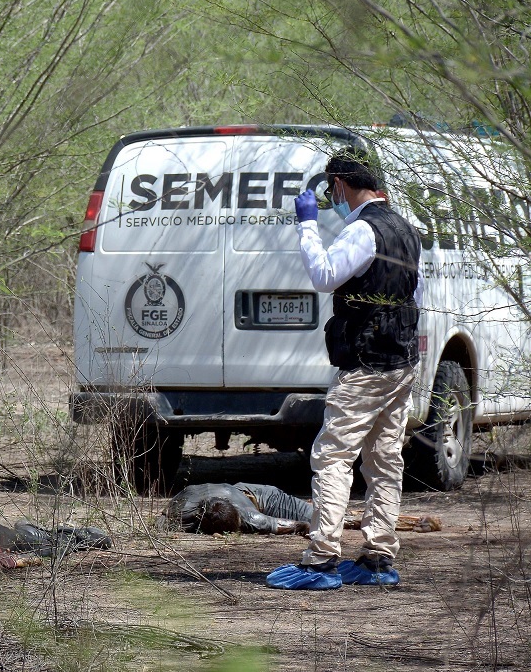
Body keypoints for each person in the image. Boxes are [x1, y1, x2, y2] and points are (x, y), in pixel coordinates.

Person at [267, 149, 424, 590]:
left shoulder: (363, 230)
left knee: (334, 455)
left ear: (337, 184)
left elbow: (324, 274)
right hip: (402, 360)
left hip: (366, 361)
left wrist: (306, 226)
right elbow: (416, 290)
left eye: (331, 190)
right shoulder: (407, 230)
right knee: (384, 456)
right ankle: (377, 557)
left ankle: (321, 559)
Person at [163, 483, 313, 536]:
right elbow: (160, 522)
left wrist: (303, 526)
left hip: (252, 494)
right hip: (226, 492)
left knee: (315, 517)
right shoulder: (182, 514)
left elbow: (297, 525)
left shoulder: (248, 515)